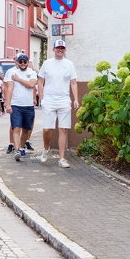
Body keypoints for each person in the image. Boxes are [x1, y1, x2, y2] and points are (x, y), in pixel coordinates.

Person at [38, 39, 80, 168]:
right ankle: (46, 148)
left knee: (63, 129)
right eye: (58, 48)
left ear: (65, 50)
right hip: (49, 99)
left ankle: (61, 158)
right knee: (47, 129)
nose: (60, 50)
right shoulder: (47, 63)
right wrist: (42, 98)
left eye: (62, 48)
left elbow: (73, 82)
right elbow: (40, 81)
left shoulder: (69, 64)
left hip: (64, 99)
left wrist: (76, 99)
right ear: (53, 49)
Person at [4, 53, 37, 161]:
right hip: (16, 104)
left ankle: (22, 148)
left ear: (27, 62)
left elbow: (31, 85)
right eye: (20, 61)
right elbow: (9, 88)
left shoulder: (32, 73)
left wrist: (18, 79)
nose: (22, 63)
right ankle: (17, 150)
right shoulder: (12, 73)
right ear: (17, 62)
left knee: (26, 129)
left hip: (28, 105)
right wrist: (7, 104)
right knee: (16, 128)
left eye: (25, 61)